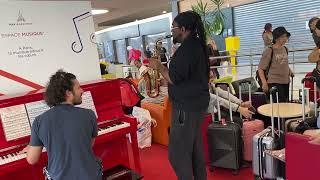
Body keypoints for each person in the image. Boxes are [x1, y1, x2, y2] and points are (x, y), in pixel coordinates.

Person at [148, 11, 209, 180]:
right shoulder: (197, 45)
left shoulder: (188, 48)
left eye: (173, 27)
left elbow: (174, 78)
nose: (172, 31)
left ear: (183, 28)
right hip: (196, 105)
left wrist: (159, 67)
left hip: (185, 108)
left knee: (177, 155)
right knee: (195, 152)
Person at [20, 70, 102, 180]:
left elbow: (32, 160)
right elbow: (88, 145)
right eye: (78, 88)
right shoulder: (89, 115)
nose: (82, 90)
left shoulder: (39, 121)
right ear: (68, 93)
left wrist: (32, 146)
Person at [258, 26, 294, 102]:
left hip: (286, 81)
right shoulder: (269, 50)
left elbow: (283, 63)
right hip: (274, 82)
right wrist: (264, 83)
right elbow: (260, 68)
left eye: (286, 36)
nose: (285, 39)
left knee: (285, 104)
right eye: (282, 37)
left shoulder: (285, 49)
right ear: (276, 38)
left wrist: (289, 71)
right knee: (279, 106)